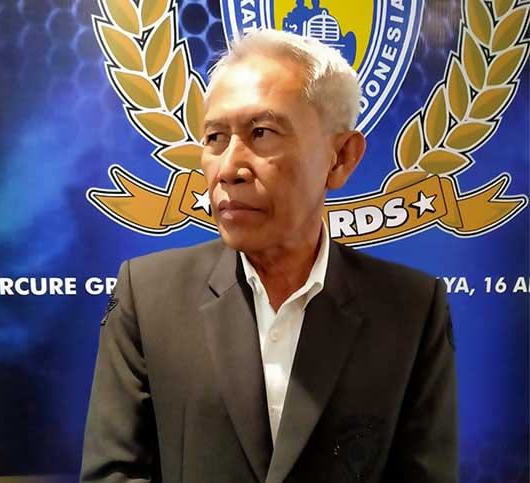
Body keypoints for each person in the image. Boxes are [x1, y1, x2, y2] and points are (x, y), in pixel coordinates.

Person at [81, 29, 458, 483]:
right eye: (215, 137)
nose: (229, 168)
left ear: (340, 157)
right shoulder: (148, 297)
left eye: (261, 133)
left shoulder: (411, 309)